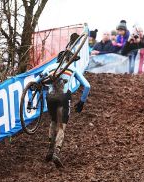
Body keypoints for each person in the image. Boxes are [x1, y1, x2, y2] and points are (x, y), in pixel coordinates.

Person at [36, 35, 90, 168]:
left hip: (50, 97)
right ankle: (56, 152)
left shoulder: (49, 68)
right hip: (64, 97)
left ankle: (50, 148)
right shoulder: (72, 68)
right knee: (61, 126)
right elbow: (87, 86)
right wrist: (82, 101)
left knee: (53, 121)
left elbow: (37, 81)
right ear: (69, 59)